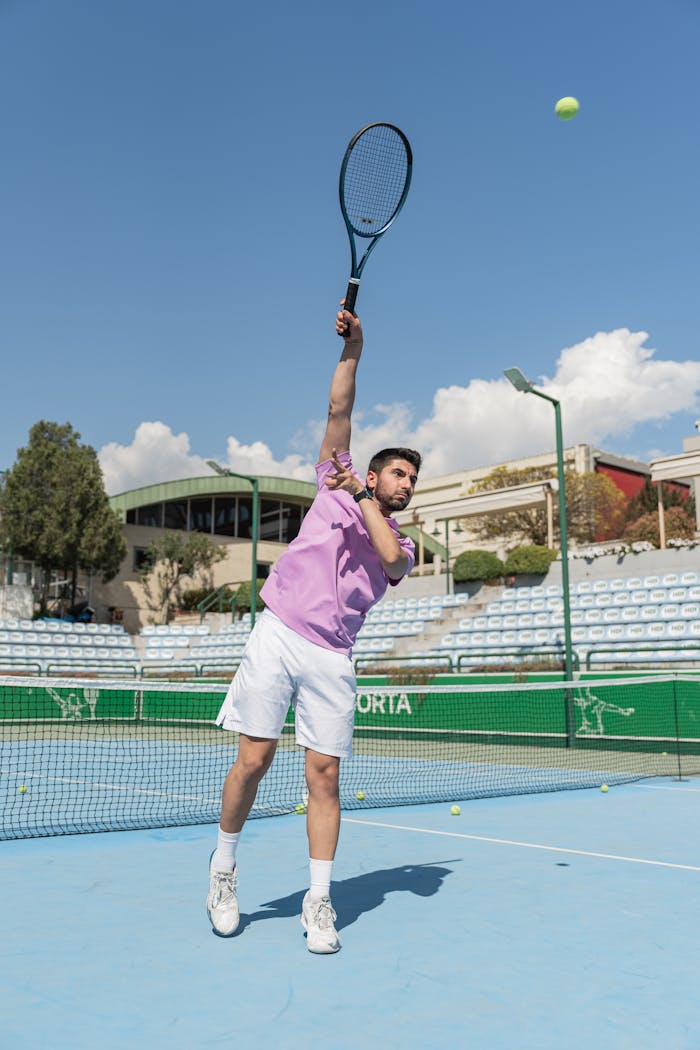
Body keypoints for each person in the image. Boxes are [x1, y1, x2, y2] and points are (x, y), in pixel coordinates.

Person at [207, 305, 421, 953]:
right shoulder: (332, 481)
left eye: (413, 479)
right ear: (376, 469)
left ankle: (319, 902)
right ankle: (222, 868)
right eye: (398, 473)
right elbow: (338, 411)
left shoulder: (402, 545)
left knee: (323, 775)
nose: (406, 484)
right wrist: (354, 348)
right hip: (279, 632)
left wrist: (361, 495)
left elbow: (385, 558)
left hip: (333, 654)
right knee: (255, 759)